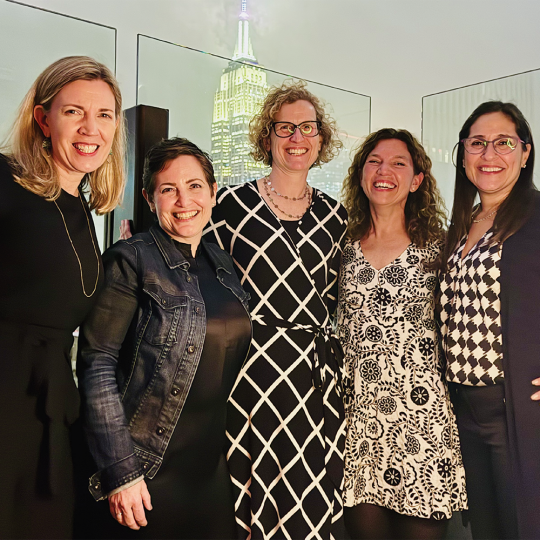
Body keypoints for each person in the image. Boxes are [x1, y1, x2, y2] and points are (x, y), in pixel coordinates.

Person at [77, 137, 251, 539]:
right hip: (146, 469)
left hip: (209, 471)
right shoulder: (131, 259)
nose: (183, 200)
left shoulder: (221, 262)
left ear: (213, 192)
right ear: (149, 197)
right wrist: (121, 472)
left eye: (194, 186)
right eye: (168, 189)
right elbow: (97, 364)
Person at [204, 80, 348, 539]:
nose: (297, 139)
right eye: (285, 128)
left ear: (321, 140)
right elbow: (203, 283)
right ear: (267, 138)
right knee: (247, 500)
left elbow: (337, 296)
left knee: (307, 499)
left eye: (307, 128)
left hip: (312, 376)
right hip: (251, 369)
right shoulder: (229, 205)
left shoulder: (336, 215)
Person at [0, 55, 125, 540]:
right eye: (74, 112)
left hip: (49, 412)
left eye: (104, 114)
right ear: (43, 118)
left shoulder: (82, 210)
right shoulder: (7, 180)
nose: (90, 127)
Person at [338, 129, 467, 540]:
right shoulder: (339, 247)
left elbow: (494, 309)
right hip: (358, 429)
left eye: (398, 163)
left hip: (423, 426)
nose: (384, 171)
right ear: (361, 174)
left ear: (416, 181)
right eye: (374, 161)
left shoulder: (441, 249)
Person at [439, 101, 540, 540]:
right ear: (463, 154)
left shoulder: (535, 217)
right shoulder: (462, 224)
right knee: (486, 529)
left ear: (526, 152)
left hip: (515, 408)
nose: (489, 155)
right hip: (463, 408)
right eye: (477, 143)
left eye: (504, 143)